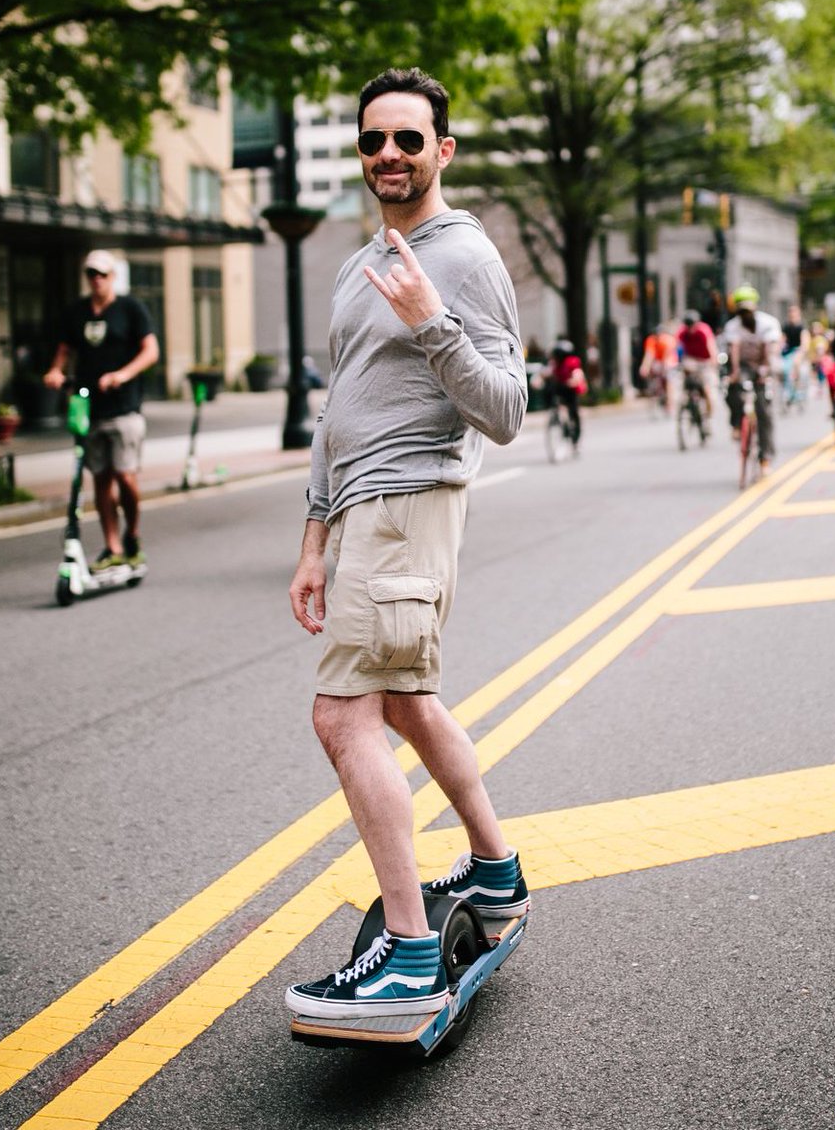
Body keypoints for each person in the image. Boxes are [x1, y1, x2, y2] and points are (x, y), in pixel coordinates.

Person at [285, 67, 529, 1021]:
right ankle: (496, 870)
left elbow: (507, 408)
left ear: (443, 150)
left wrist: (432, 322)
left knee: (344, 718)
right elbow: (335, 411)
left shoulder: (462, 256)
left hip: (408, 501)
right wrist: (313, 539)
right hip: (361, 516)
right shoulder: (361, 261)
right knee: (408, 705)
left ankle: (408, 952)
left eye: (408, 139)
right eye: (372, 140)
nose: (389, 153)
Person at [44, 250, 159, 570]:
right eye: (91, 274)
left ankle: (132, 534)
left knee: (126, 477)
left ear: (113, 277)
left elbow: (151, 352)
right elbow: (64, 350)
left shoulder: (130, 309)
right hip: (89, 408)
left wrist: (122, 375)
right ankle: (113, 546)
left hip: (124, 408)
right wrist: (55, 371)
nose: (96, 279)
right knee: (101, 480)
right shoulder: (76, 313)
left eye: (102, 274)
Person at [722, 285, 782, 476]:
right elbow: (734, 349)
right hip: (743, 366)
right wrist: (734, 373)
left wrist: (764, 370)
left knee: (764, 411)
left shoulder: (768, 323)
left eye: (747, 309)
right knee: (731, 390)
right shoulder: (732, 326)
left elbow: (769, 348)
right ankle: (737, 424)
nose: (744, 314)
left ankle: (765, 457)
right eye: (741, 310)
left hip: (763, 365)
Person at [542, 338, 588, 447]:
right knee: (554, 397)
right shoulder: (554, 364)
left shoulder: (572, 362)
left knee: (573, 411)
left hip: (570, 390)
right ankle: (557, 415)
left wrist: (574, 381)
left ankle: (575, 435)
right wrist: (539, 380)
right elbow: (545, 373)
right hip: (559, 388)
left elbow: (578, 374)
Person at [676, 308, 718, 422]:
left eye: (692, 325)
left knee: (708, 390)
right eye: (688, 325)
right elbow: (678, 348)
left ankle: (707, 417)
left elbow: (711, 347)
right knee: (685, 377)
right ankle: (686, 399)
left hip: (705, 361)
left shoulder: (703, 330)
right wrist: (676, 362)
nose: (690, 329)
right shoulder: (682, 332)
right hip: (691, 360)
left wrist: (713, 361)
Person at [639, 322, 679, 410]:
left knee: (669, 378)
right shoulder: (651, 340)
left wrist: (664, 367)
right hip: (657, 361)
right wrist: (644, 367)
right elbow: (649, 354)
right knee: (653, 372)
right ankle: (656, 390)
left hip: (670, 360)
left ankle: (670, 402)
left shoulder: (668, 340)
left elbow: (667, 355)